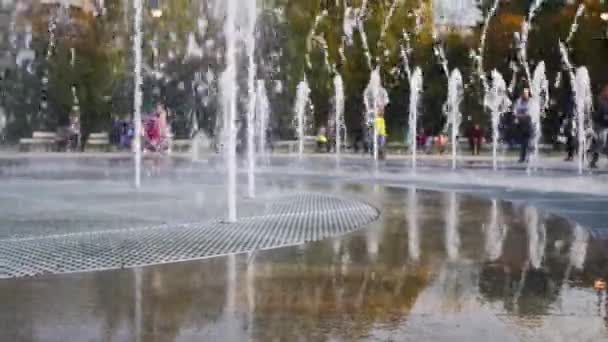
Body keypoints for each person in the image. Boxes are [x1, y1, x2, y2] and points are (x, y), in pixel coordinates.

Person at [590, 84, 608, 168]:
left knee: (604, 143)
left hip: (603, 123)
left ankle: (594, 160)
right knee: (601, 141)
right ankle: (593, 160)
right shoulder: (601, 101)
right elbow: (598, 114)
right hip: (601, 124)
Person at [513, 88, 532, 163]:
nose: (525, 95)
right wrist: (520, 115)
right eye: (524, 93)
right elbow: (515, 112)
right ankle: (523, 157)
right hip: (521, 124)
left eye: (526, 93)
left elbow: (530, 113)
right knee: (523, 142)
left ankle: (528, 157)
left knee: (528, 141)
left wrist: (520, 115)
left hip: (529, 124)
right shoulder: (519, 101)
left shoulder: (531, 102)